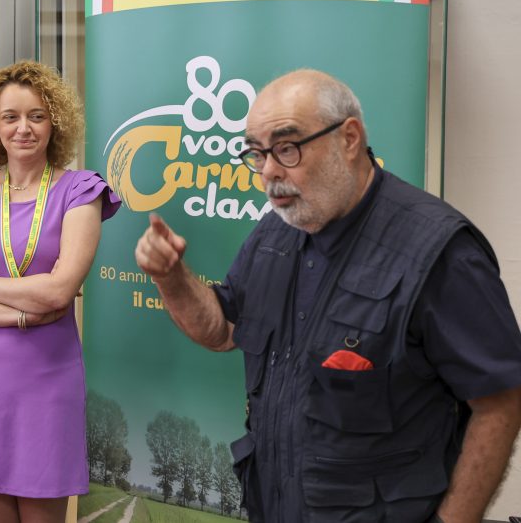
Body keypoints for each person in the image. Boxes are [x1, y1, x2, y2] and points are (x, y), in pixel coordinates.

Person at [135, 69, 521, 523]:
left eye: (287, 147)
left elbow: (500, 402)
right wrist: (172, 278)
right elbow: (222, 330)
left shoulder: (439, 253)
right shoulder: (274, 234)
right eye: (257, 153)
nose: (269, 171)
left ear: (349, 138)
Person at [0, 60, 120, 522]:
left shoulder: (80, 191)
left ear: (56, 122)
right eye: (10, 117)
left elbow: (59, 291)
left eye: (37, 116)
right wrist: (19, 316)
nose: (23, 128)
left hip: (46, 381)